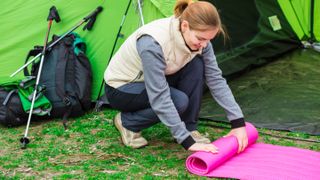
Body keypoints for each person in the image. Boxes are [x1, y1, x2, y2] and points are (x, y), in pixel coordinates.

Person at [104, 0, 248, 153]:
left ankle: (189, 127)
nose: (205, 45)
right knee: (178, 101)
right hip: (122, 88)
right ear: (185, 26)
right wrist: (186, 142)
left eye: (209, 40)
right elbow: (159, 96)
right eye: (200, 39)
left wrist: (238, 123)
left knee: (197, 63)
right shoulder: (152, 43)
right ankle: (128, 122)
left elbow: (216, 79)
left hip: (153, 80)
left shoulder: (201, 40)